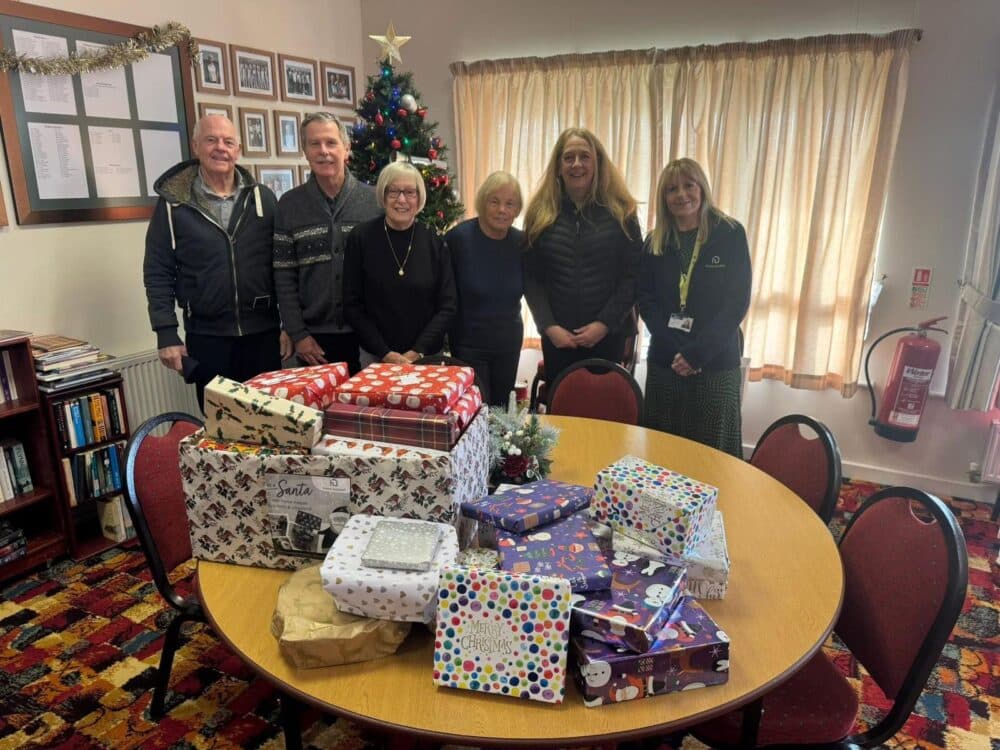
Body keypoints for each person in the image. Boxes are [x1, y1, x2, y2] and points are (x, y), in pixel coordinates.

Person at [143, 114, 290, 409]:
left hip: (263, 336)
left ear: (238, 149)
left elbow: (283, 267)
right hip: (207, 338)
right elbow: (158, 270)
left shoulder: (263, 199)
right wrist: (166, 333)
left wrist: (288, 325)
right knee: (220, 430)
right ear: (196, 146)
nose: (220, 148)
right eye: (211, 140)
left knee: (272, 425)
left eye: (228, 141)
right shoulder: (174, 205)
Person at [638, 158, 751, 457]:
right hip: (667, 361)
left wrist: (696, 353)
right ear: (663, 197)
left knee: (712, 455)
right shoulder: (654, 241)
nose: (681, 195)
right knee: (664, 453)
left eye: (689, 185)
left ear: (702, 188)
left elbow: (736, 301)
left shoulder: (730, 234)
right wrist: (676, 348)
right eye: (672, 189)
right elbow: (646, 300)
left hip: (714, 364)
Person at [522, 127, 642, 390]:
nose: (576, 164)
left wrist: (603, 324)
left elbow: (633, 277)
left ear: (597, 163)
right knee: (562, 421)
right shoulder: (540, 214)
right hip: (558, 341)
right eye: (568, 157)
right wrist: (549, 327)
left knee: (603, 416)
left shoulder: (623, 212)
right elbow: (531, 279)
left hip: (606, 338)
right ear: (558, 166)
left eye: (584, 156)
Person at [273, 112, 380, 373]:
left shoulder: (375, 202)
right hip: (314, 340)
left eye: (331, 143)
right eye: (314, 144)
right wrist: (298, 335)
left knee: (366, 411)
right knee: (320, 412)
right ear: (305, 151)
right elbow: (284, 277)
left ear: (346, 148)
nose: (324, 151)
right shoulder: (289, 205)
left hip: (370, 335)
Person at [343, 161, 457, 365]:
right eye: (393, 191)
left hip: (426, 357)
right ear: (383, 195)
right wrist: (385, 352)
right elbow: (352, 305)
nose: (401, 199)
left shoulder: (434, 240)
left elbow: (447, 305)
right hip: (375, 357)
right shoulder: (360, 238)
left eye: (410, 192)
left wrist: (416, 352)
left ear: (419, 197)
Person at [446, 171, 525, 407]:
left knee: (501, 412)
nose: (502, 209)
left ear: (517, 209)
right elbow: (445, 296)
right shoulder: (458, 239)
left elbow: (535, 288)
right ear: (483, 202)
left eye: (510, 204)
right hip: (468, 344)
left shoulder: (522, 243)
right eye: (495, 201)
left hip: (508, 343)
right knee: (474, 410)